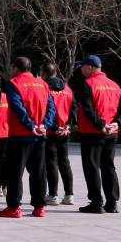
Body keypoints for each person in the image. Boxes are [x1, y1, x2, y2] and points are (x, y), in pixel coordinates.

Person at [0, 57, 55, 219]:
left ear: (16, 68)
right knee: (38, 172)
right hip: (40, 135)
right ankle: (39, 207)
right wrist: (44, 125)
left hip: (19, 135)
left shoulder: (14, 83)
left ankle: (14, 207)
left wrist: (30, 126)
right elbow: (51, 107)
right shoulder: (42, 84)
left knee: (15, 173)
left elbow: (17, 107)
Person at [71, 55, 121, 213]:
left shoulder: (87, 84)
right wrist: (118, 123)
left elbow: (88, 109)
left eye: (82, 67)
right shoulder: (114, 85)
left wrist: (101, 125)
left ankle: (96, 202)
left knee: (92, 167)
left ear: (89, 67)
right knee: (109, 166)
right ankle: (112, 203)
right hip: (112, 133)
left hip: (92, 132)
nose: (81, 70)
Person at [41, 62, 77, 206]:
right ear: (55, 72)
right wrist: (68, 126)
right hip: (65, 131)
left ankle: (53, 195)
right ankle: (69, 195)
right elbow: (74, 111)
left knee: (51, 163)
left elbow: (45, 111)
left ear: (43, 73)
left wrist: (55, 127)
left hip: (50, 131)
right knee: (64, 161)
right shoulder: (67, 89)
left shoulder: (44, 88)